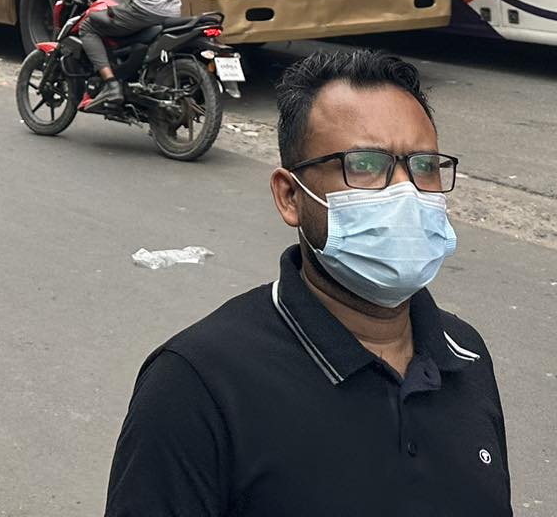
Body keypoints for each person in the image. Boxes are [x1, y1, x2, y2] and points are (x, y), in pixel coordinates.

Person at [105, 47, 503, 514]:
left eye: (424, 167)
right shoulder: (198, 384)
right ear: (290, 196)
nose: (405, 193)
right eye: (365, 166)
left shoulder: (465, 355)